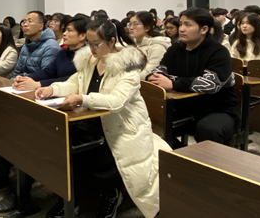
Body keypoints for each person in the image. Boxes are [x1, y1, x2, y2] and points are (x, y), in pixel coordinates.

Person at [36, 19, 170, 218]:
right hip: (92, 122)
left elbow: (117, 101)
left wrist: (82, 99)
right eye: (88, 43)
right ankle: (71, 198)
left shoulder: (128, 66)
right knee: (57, 145)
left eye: (96, 44)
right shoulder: (90, 60)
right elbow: (75, 83)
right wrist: (52, 89)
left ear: (112, 41)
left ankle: (109, 194)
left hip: (121, 129)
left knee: (83, 156)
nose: (91, 48)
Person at [0, 11, 61, 216]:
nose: (25, 24)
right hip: (21, 93)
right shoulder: (27, 45)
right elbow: (18, 72)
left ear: (42, 26)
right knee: (1, 127)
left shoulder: (51, 47)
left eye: (30, 21)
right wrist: (17, 82)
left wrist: (26, 82)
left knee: (22, 137)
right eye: (24, 21)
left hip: (40, 99)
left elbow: (47, 75)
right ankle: (0, 176)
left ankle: (20, 192)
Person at [147, 8, 240, 146]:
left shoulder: (219, 52)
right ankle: (177, 154)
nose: (182, 29)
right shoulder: (175, 49)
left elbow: (211, 84)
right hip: (183, 108)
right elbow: (159, 71)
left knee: (207, 129)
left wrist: (173, 83)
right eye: (181, 24)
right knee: (148, 122)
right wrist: (153, 77)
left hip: (218, 110)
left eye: (188, 25)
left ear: (204, 29)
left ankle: (203, 160)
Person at [12, 16, 88, 91]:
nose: (64, 33)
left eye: (69, 30)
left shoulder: (87, 57)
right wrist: (26, 78)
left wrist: (39, 84)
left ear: (82, 36)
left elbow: (71, 80)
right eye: (65, 30)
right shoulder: (63, 53)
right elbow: (48, 72)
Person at [129, 11, 171, 80]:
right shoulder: (132, 44)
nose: (131, 27)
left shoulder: (157, 47)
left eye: (135, 24)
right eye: (130, 24)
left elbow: (150, 73)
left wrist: (126, 79)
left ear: (147, 28)